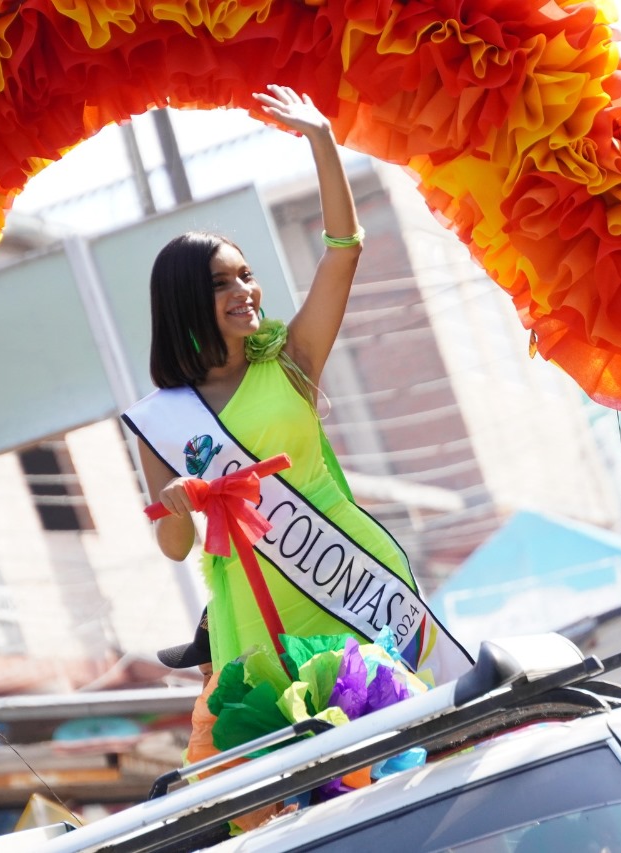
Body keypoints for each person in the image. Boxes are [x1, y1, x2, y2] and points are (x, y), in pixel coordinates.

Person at [123, 84, 467, 684]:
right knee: (303, 750)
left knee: (412, 708)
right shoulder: (160, 421)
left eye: (247, 275)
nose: (245, 292)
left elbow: (343, 251)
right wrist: (178, 501)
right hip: (254, 605)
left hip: (354, 577)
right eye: (221, 283)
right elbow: (175, 546)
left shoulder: (290, 360)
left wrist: (323, 142)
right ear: (184, 304)